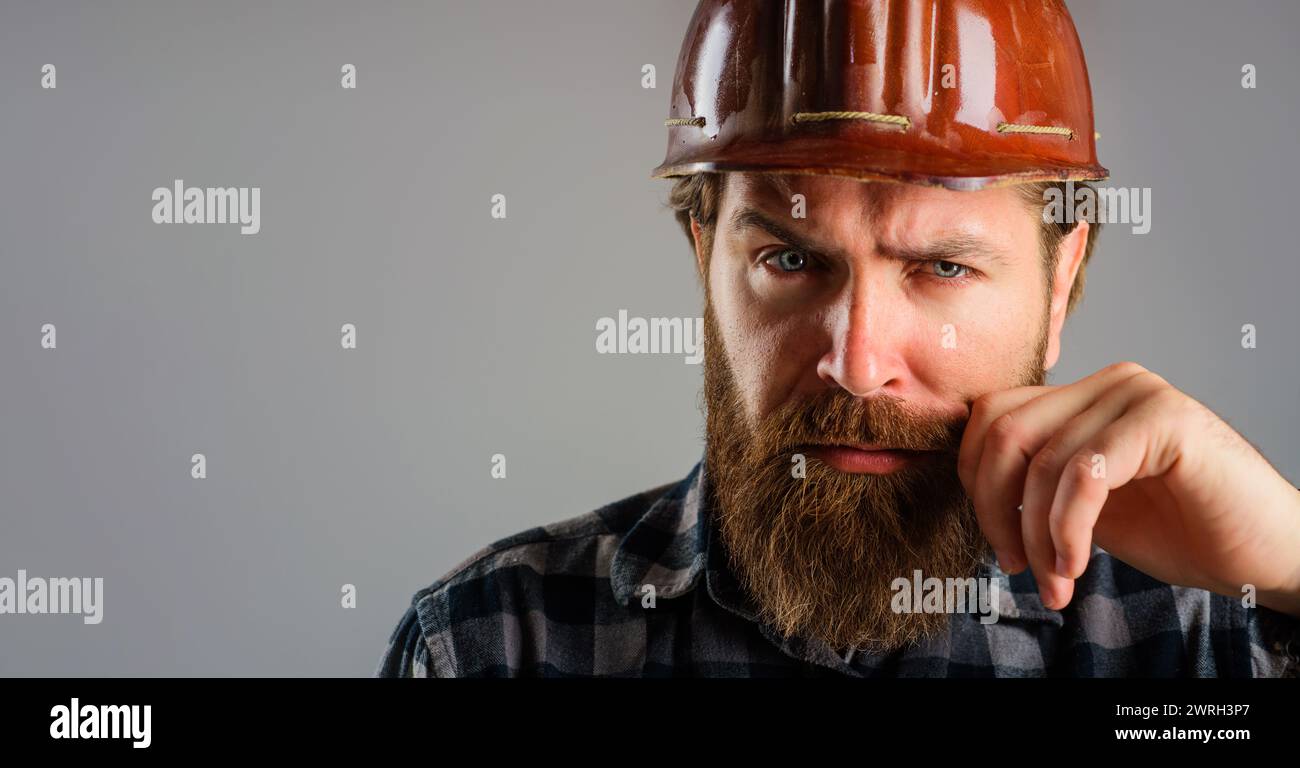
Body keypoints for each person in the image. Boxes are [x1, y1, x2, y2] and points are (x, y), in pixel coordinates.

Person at [377, 0, 1300, 677]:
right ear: (706, 262)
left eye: (942, 268)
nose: (857, 365)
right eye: (789, 260)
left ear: (1058, 286)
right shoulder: (495, 646)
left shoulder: (1206, 646)